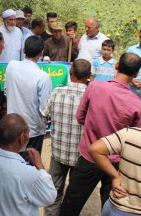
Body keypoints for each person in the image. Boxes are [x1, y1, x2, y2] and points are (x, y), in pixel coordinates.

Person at [60, 53, 141, 215]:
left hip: (89, 156)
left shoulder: (94, 87)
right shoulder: (136, 104)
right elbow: (134, 138)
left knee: (72, 203)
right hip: (115, 162)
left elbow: (80, 117)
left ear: (117, 65)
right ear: (136, 74)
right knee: (110, 205)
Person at [42, 59, 91, 216]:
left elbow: (45, 116)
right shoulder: (92, 98)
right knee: (74, 196)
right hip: (81, 156)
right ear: (89, 76)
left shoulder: (57, 92)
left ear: (70, 74)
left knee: (53, 191)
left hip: (58, 152)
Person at [5, 36, 52, 154]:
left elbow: (6, 91)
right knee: (31, 164)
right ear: (42, 52)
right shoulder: (43, 76)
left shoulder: (11, 66)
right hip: (32, 130)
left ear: (23, 50)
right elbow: (44, 108)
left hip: (12, 126)